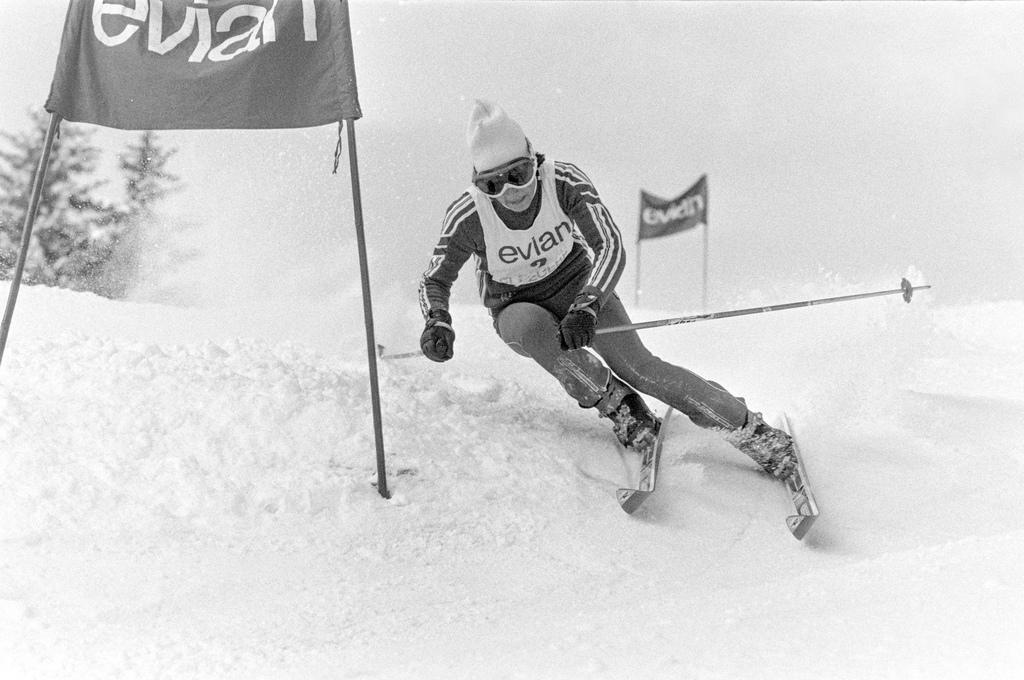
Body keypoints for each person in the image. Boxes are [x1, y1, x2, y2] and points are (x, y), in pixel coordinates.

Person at [417, 100, 796, 480]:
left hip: (577, 287)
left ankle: (749, 430)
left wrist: (587, 305)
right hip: (515, 304)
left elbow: (610, 245)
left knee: (640, 368)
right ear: (479, 184)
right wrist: (438, 321)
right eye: (493, 184)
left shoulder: (562, 181)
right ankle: (619, 405)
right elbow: (435, 278)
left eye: (519, 174)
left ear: (534, 159)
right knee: (533, 329)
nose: (510, 191)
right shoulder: (469, 215)